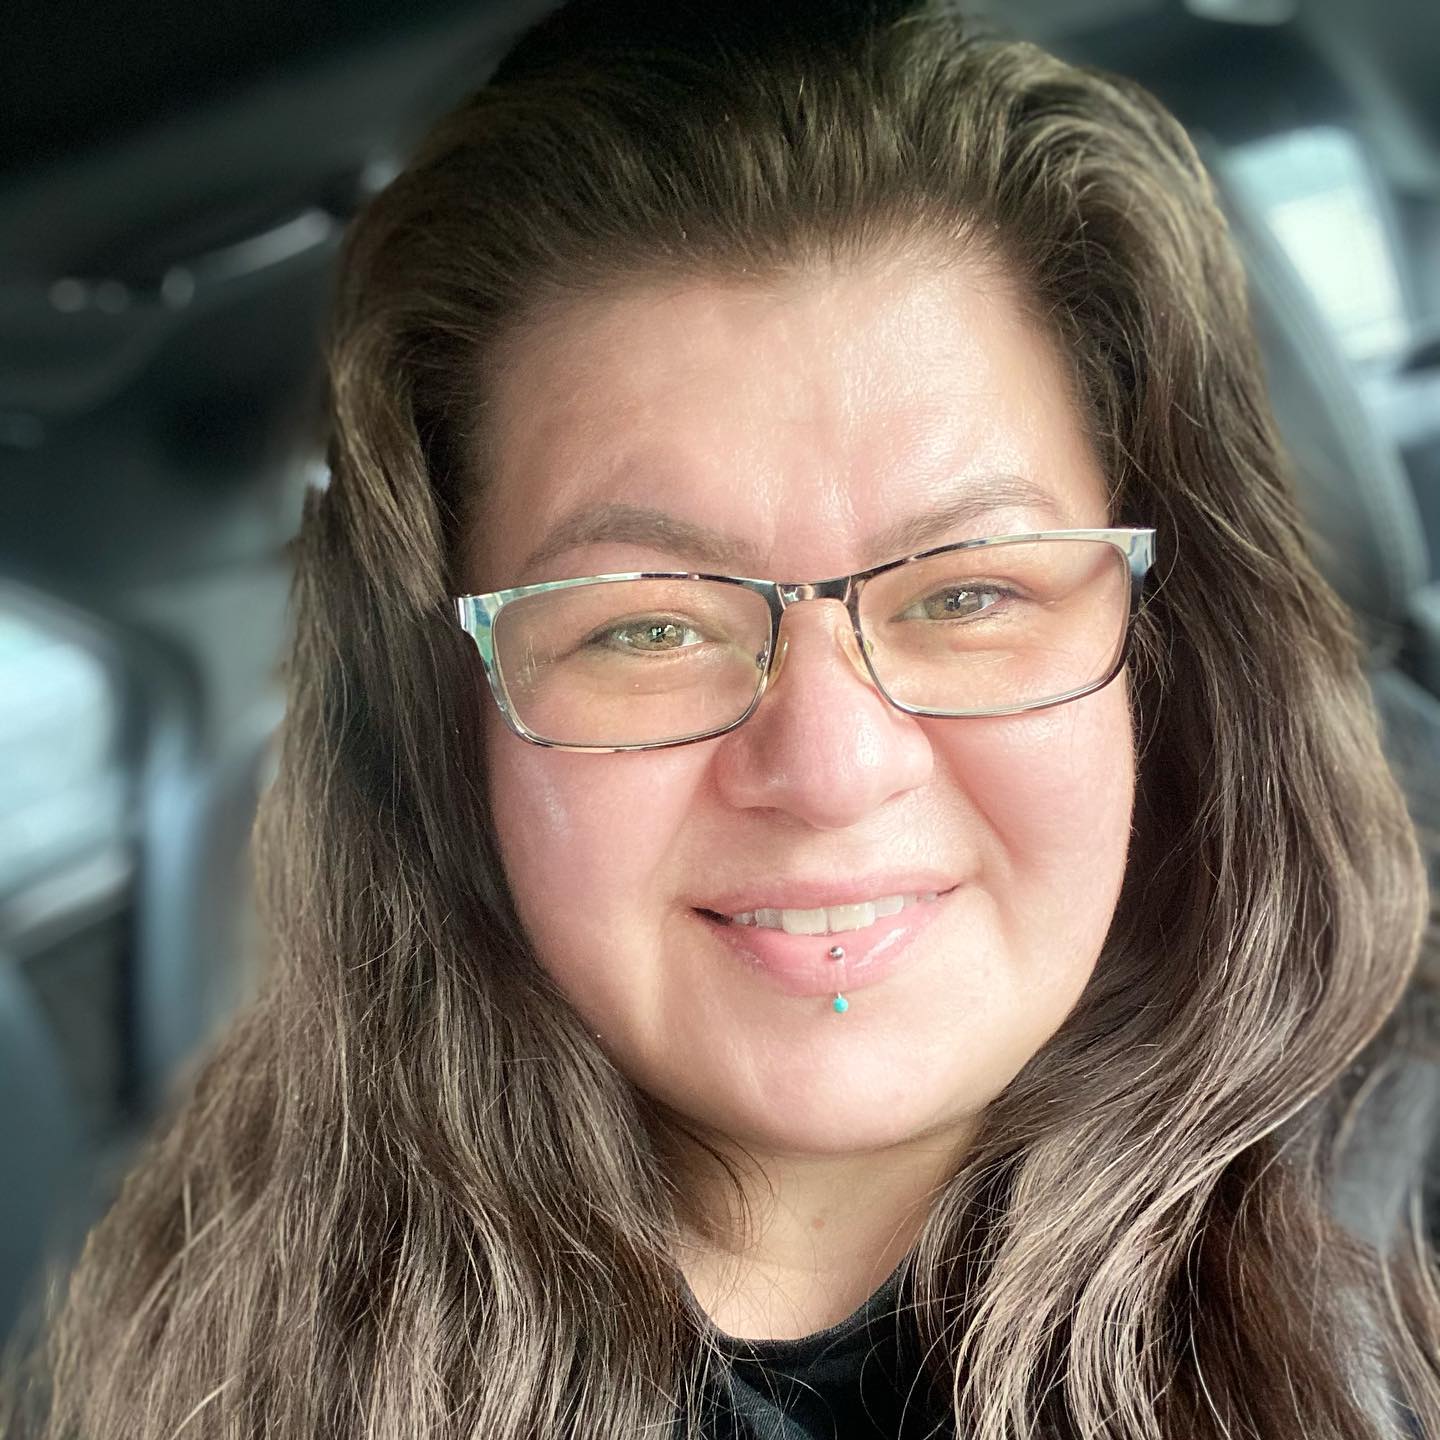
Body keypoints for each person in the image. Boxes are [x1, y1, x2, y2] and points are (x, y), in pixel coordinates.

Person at [6, 1, 1439, 1436]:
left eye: (968, 595)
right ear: (446, 727)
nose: (830, 768)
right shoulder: (203, 1363)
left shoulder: (1405, 1246)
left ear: (1163, 656)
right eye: (647, 628)